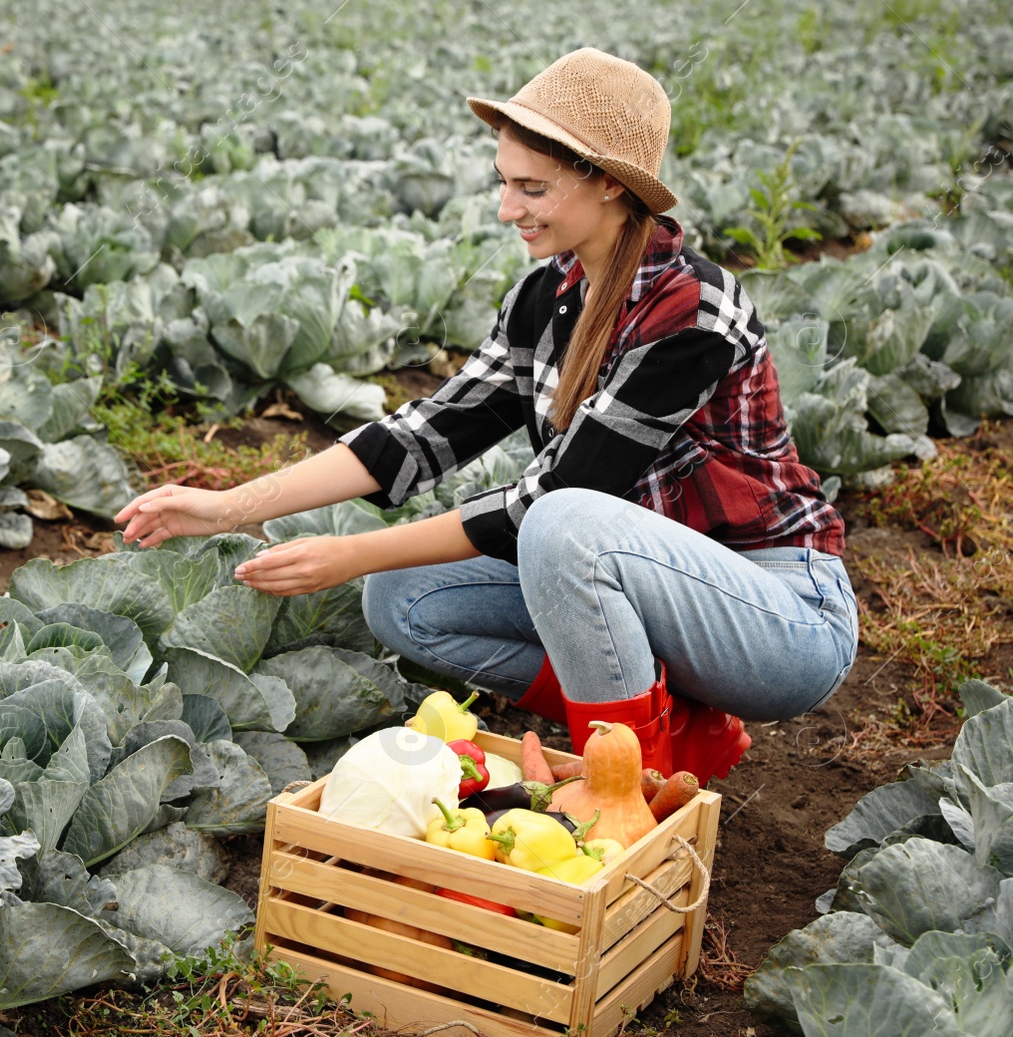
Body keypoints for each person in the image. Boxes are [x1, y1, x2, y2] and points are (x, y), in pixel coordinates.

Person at [114, 47, 857, 784]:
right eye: (503, 183)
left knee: (563, 523)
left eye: (531, 188)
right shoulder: (545, 297)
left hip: (779, 616)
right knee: (403, 595)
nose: (507, 209)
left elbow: (557, 497)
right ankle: (673, 734)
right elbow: (423, 435)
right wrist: (225, 505)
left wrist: (349, 552)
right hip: (648, 586)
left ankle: (616, 795)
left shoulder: (692, 309)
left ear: (605, 183)